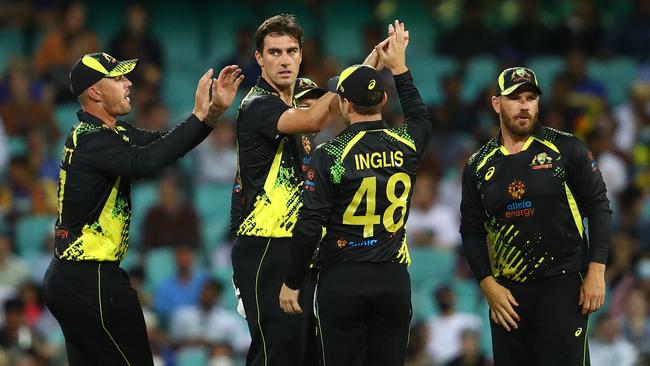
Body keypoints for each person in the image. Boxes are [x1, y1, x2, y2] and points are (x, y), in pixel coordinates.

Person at [42, 51, 243, 365]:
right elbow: (148, 162)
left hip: (77, 278)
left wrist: (210, 116)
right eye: (118, 78)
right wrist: (200, 118)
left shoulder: (109, 133)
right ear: (95, 92)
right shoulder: (93, 141)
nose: (128, 83)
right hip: (90, 278)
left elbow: (162, 143)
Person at [280, 20, 432, 365]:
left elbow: (309, 223)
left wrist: (292, 281)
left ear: (345, 105)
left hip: (342, 278)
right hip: (392, 277)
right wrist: (400, 68)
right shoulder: (407, 143)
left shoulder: (329, 154)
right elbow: (420, 116)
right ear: (382, 99)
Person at [459, 66, 612, 365]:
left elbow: (599, 207)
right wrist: (488, 285)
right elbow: (471, 231)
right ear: (496, 104)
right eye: (515, 98)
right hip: (509, 295)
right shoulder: (478, 164)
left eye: (530, 97)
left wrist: (596, 270)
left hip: (563, 284)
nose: (524, 105)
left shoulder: (567, 148)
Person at [229, 14, 341, 366]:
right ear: (259, 59)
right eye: (274, 52)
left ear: (301, 54)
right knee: (276, 354)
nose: (284, 59)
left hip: (296, 243)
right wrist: (355, 78)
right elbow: (315, 119)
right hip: (267, 245)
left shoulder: (292, 105)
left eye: (291, 51)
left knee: (305, 352)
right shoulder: (258, 105)